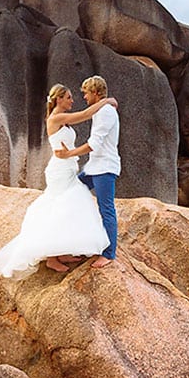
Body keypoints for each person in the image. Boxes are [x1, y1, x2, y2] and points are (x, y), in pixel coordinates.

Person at [0, 84, 116, 277]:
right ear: (58, 100)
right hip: (60, 170)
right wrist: (107, 101)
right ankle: (51, 257)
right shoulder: (56, 118)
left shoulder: (62, 119)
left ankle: (60, 251)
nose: (72, 100)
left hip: (67, 168)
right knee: (57, 207)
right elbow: (84, 115)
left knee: (68, 207)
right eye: (68, 97)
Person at [56, 75, 119, 268]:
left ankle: (109, 254)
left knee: (106, 209)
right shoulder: (101, 109)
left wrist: (69, 154)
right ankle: (72, 245)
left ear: (96, 93)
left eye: (86, 93)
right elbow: (85, 113)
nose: (84, 97)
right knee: (71, 195)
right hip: (93, 167)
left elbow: (94, 143)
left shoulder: (106, 112)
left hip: (104, 169)